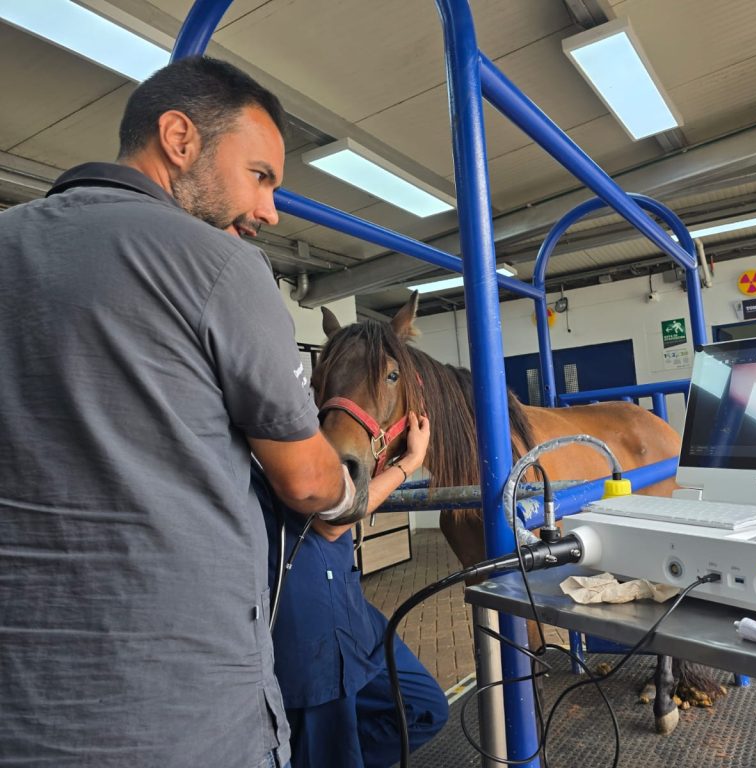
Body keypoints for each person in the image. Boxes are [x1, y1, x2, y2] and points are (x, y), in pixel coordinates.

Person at [0, 57, 358, 768]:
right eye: (260, 176)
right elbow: (306, 481)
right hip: (183, 715)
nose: (269, 211)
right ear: (180, 139)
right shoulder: (218, 264)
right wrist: (354, 491)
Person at [257, 410, 449, 768]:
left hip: (352, 616)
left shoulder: (314, 426)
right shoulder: (272, 433)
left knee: (425, 707)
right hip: (308, 631)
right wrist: (409, 463)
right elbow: (332, 520)